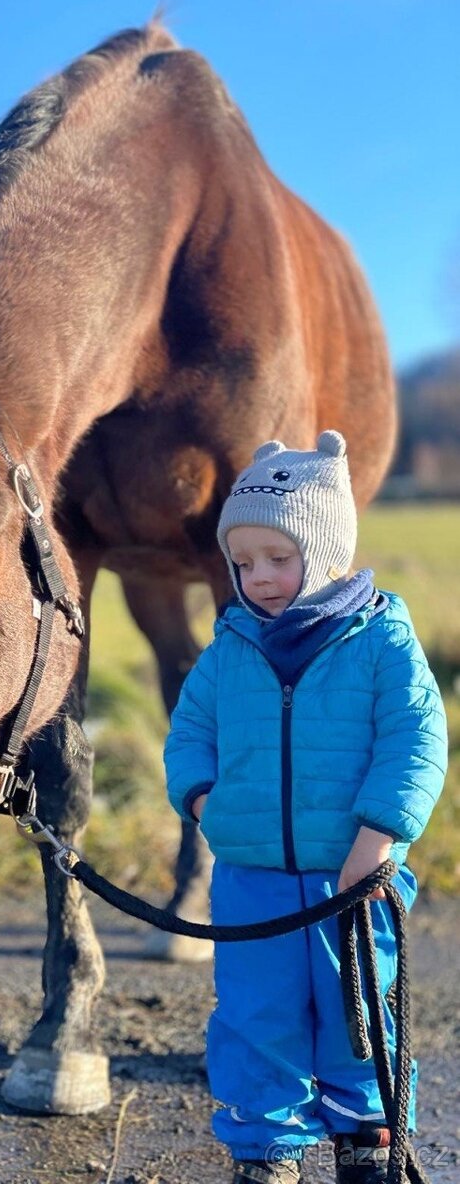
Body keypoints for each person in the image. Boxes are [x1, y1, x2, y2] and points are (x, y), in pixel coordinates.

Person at [163, 431, 447, 1184]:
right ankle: (267, 1151)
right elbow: (190, 730)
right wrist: (201, 800)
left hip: (352, 878)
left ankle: (369, 1139)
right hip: (250, 878)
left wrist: (380, 833)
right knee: (257, 1019)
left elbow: (416, 737)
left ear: (325, 551)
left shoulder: (381, 636)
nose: (258, 578)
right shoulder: (231, 647)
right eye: (244, 563)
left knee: (359, 1013)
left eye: (278, 559)